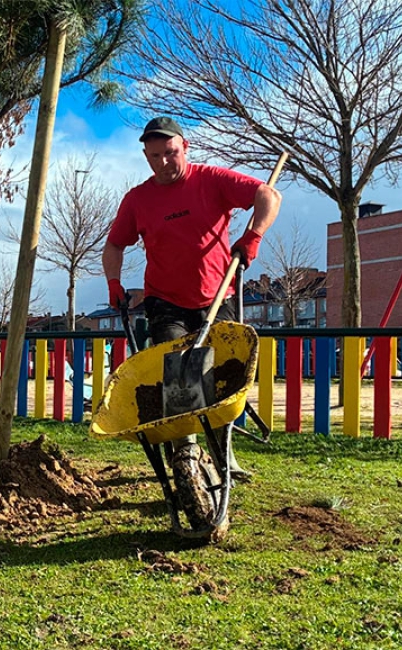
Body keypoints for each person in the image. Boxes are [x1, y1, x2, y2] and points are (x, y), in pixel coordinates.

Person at [102, 116, 281, 477]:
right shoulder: (138, 199)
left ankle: (224, 454)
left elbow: (268, 195)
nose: (163, 163)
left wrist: (254, 236)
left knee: (222, 380)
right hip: (166, 302)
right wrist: (113, 282)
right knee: (182, 377)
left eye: (169, 153)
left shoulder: (212, 180)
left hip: (218, 296)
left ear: (185, 147)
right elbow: (115, 244)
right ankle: (187, 454)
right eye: (153, 157)